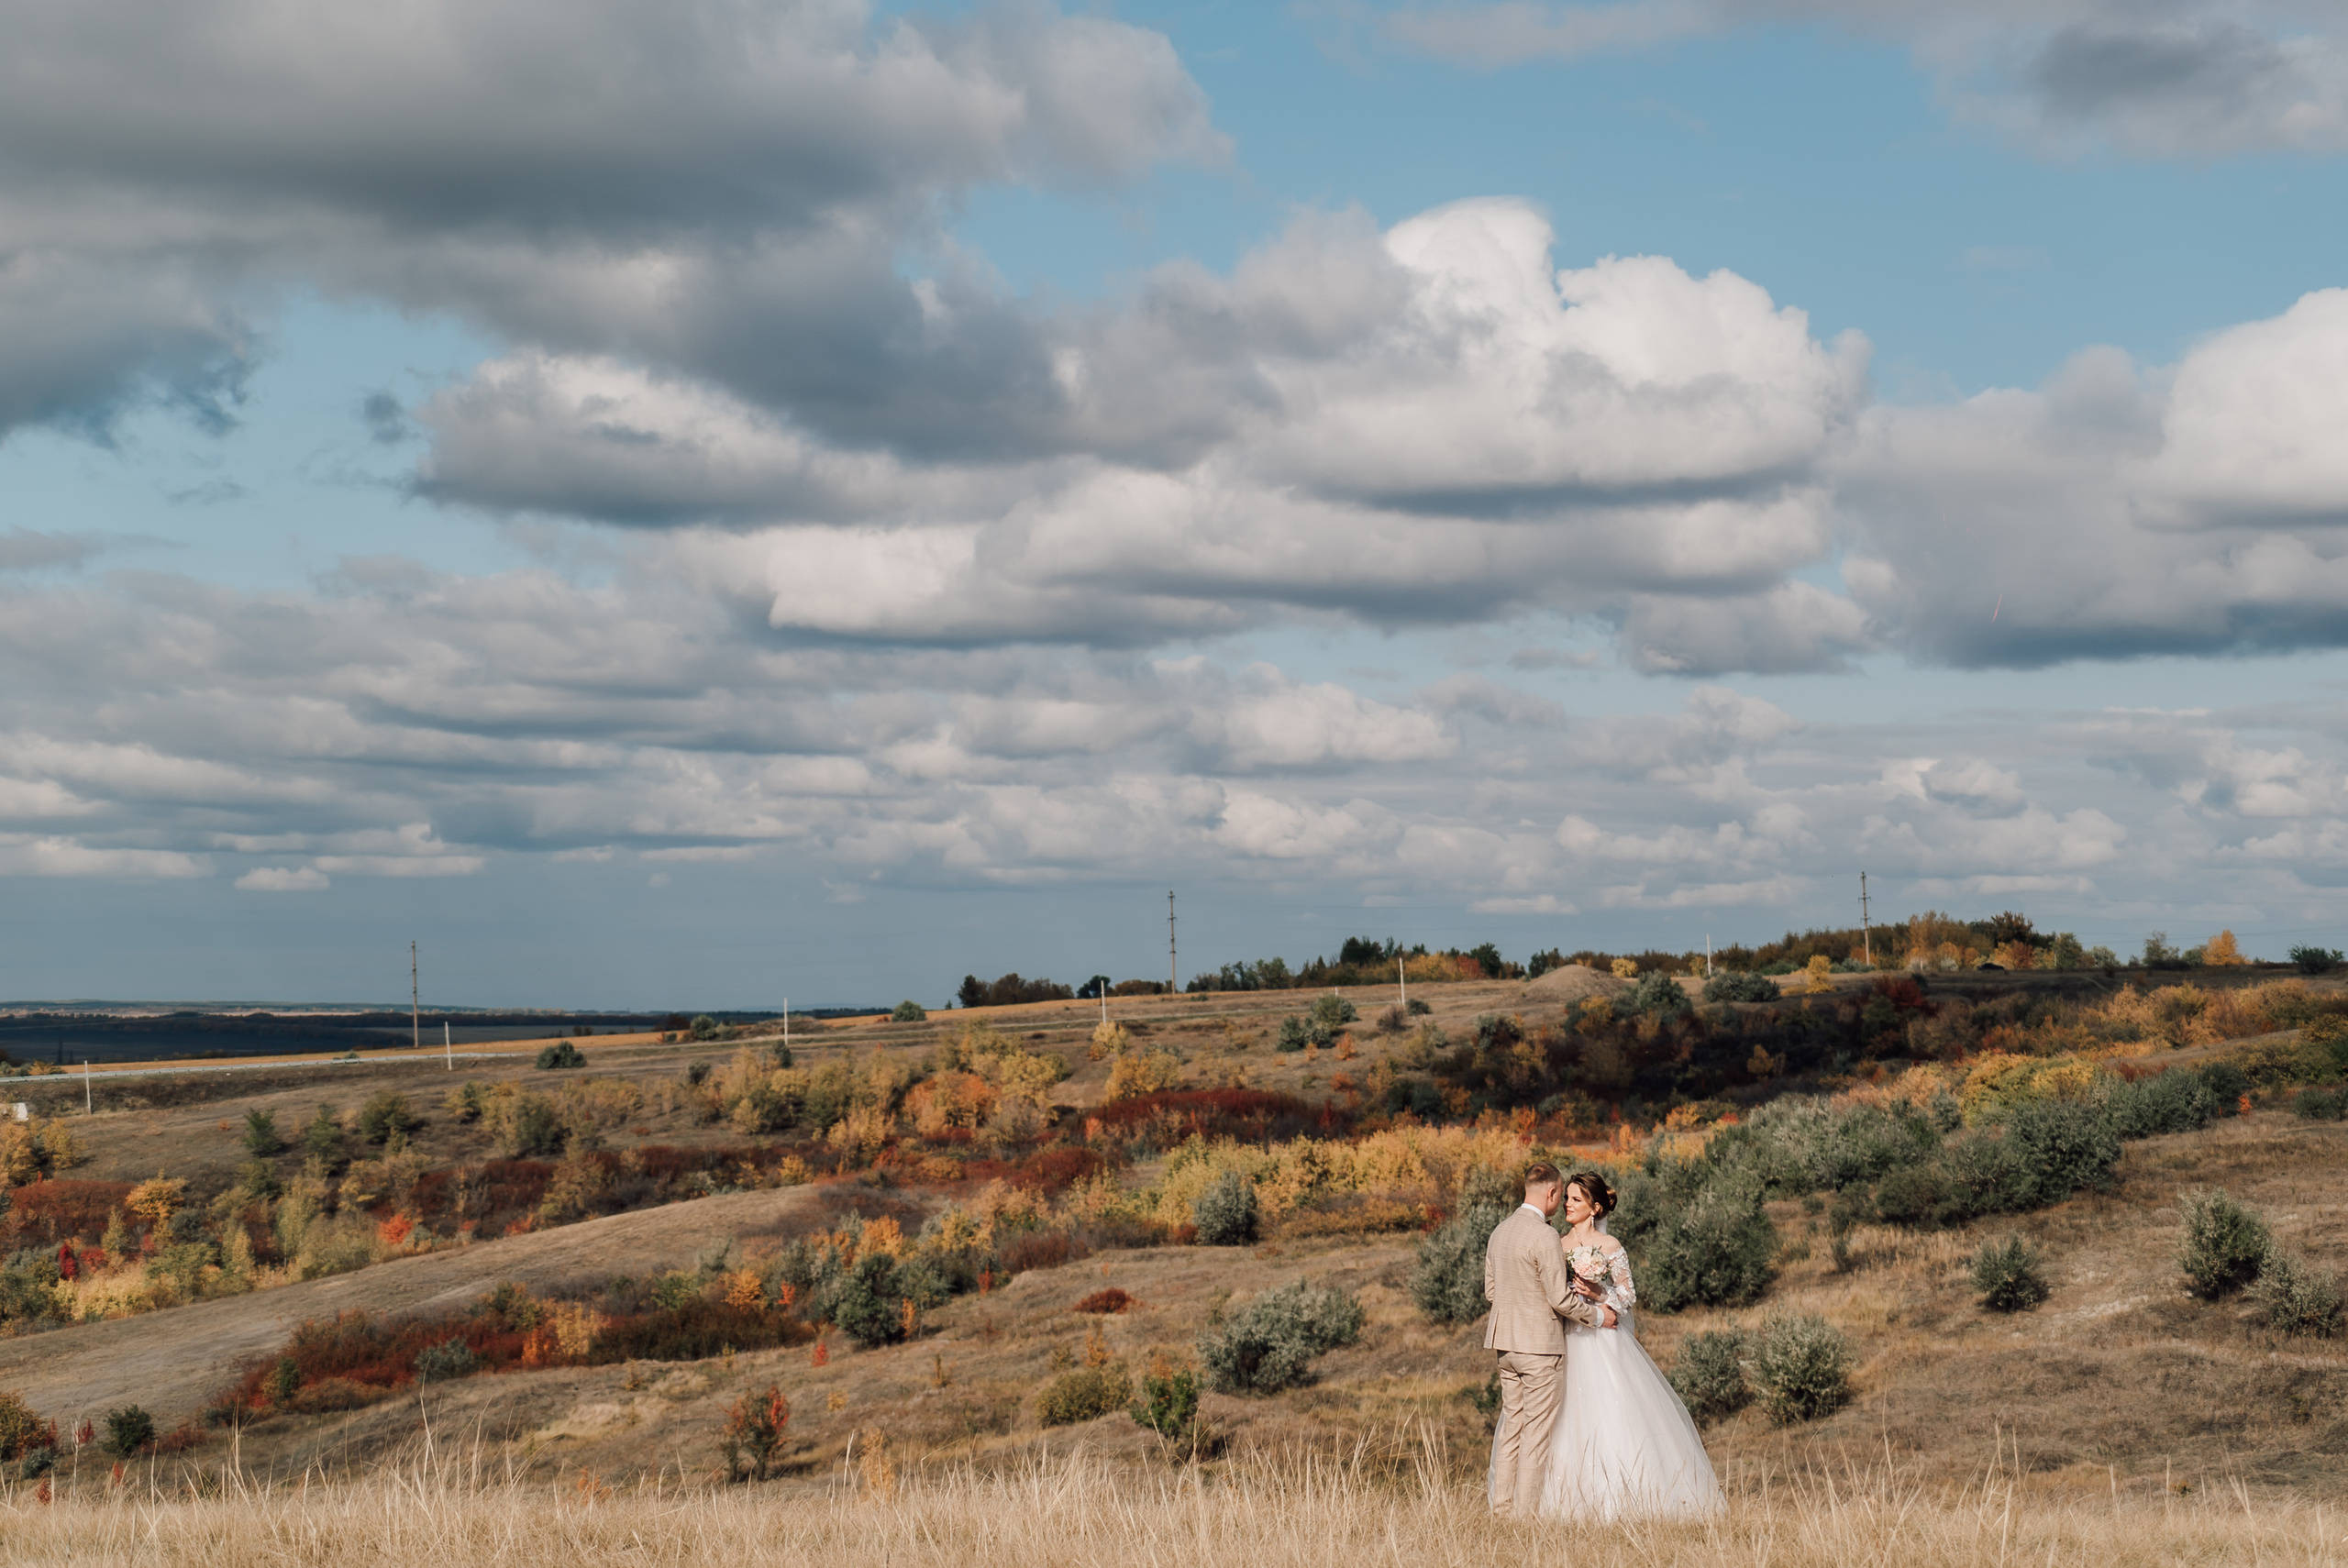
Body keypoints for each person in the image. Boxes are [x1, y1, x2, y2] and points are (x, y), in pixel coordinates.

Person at [1536, 1171, 1725, 1520]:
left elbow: (1628, 1296)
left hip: (1603, 1340)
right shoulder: (1556, 1244)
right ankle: (1564, 1505)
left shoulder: (1610, 1247)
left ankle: (1626, 1502)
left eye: (1576, 1200)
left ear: (1594, 1208)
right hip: (1567, 1337)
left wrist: (1599, 1293)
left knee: (1611, 1411)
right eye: (1567, 1198)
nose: (1567, 1204)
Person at [1482, 1161, 1614, 1518]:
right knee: (1536, 1436)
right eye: (1562, 1196)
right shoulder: (1543, 1236)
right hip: (1540, 1349)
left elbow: (1492, 1292)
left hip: (1505, 1346)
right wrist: (1600, 1316)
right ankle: (1523, 1519)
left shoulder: (1499, 1231)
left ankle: (1501, 1511)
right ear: (1553, 1193)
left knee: (1513, 1428)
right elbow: (1559, 1298)